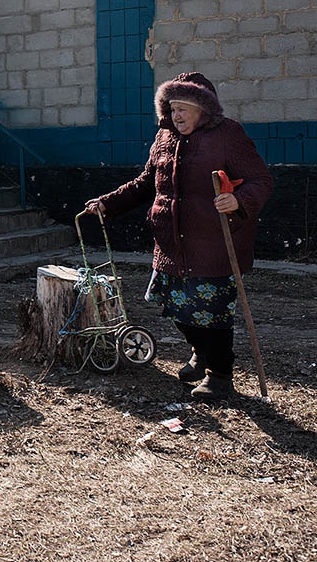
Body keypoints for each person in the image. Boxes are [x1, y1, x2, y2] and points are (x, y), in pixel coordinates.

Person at [84, 72, 273, 402]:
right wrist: (108, 204)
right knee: (172, 305)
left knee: (210, 311)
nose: (178, 115)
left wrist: (239, 201)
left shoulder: (228, 135)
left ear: (204, 109)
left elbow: (261, 179)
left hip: (214, 244)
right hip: (171, 244)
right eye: (172, 108)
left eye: (185, 107)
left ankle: (220, 376)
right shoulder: (164, 138)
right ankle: (201, 352)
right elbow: (146, 183)